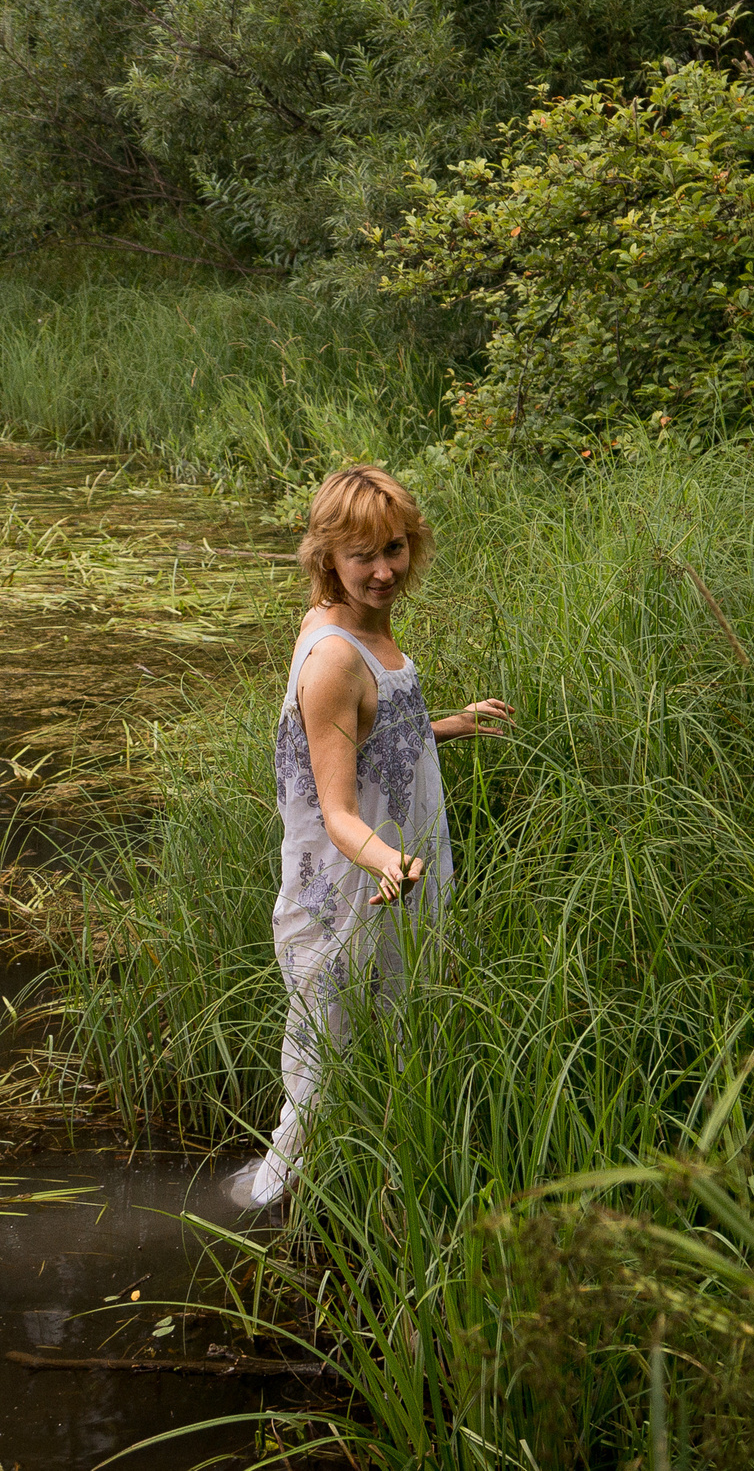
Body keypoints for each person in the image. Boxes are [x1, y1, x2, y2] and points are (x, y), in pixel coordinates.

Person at [236, 466, 514, 1210]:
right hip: (357, 880)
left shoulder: (355, 614)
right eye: (363, 555)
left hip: (393, 866)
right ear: (328, 553)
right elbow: (336, 810)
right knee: (325, 1076)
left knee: (391, 1046)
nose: (384, 570)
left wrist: (448, 723)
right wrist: (394, 859)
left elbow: (369, 731)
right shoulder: (331, 656)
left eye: (395, 548)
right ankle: (265, 1215)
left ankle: (373, 1192)